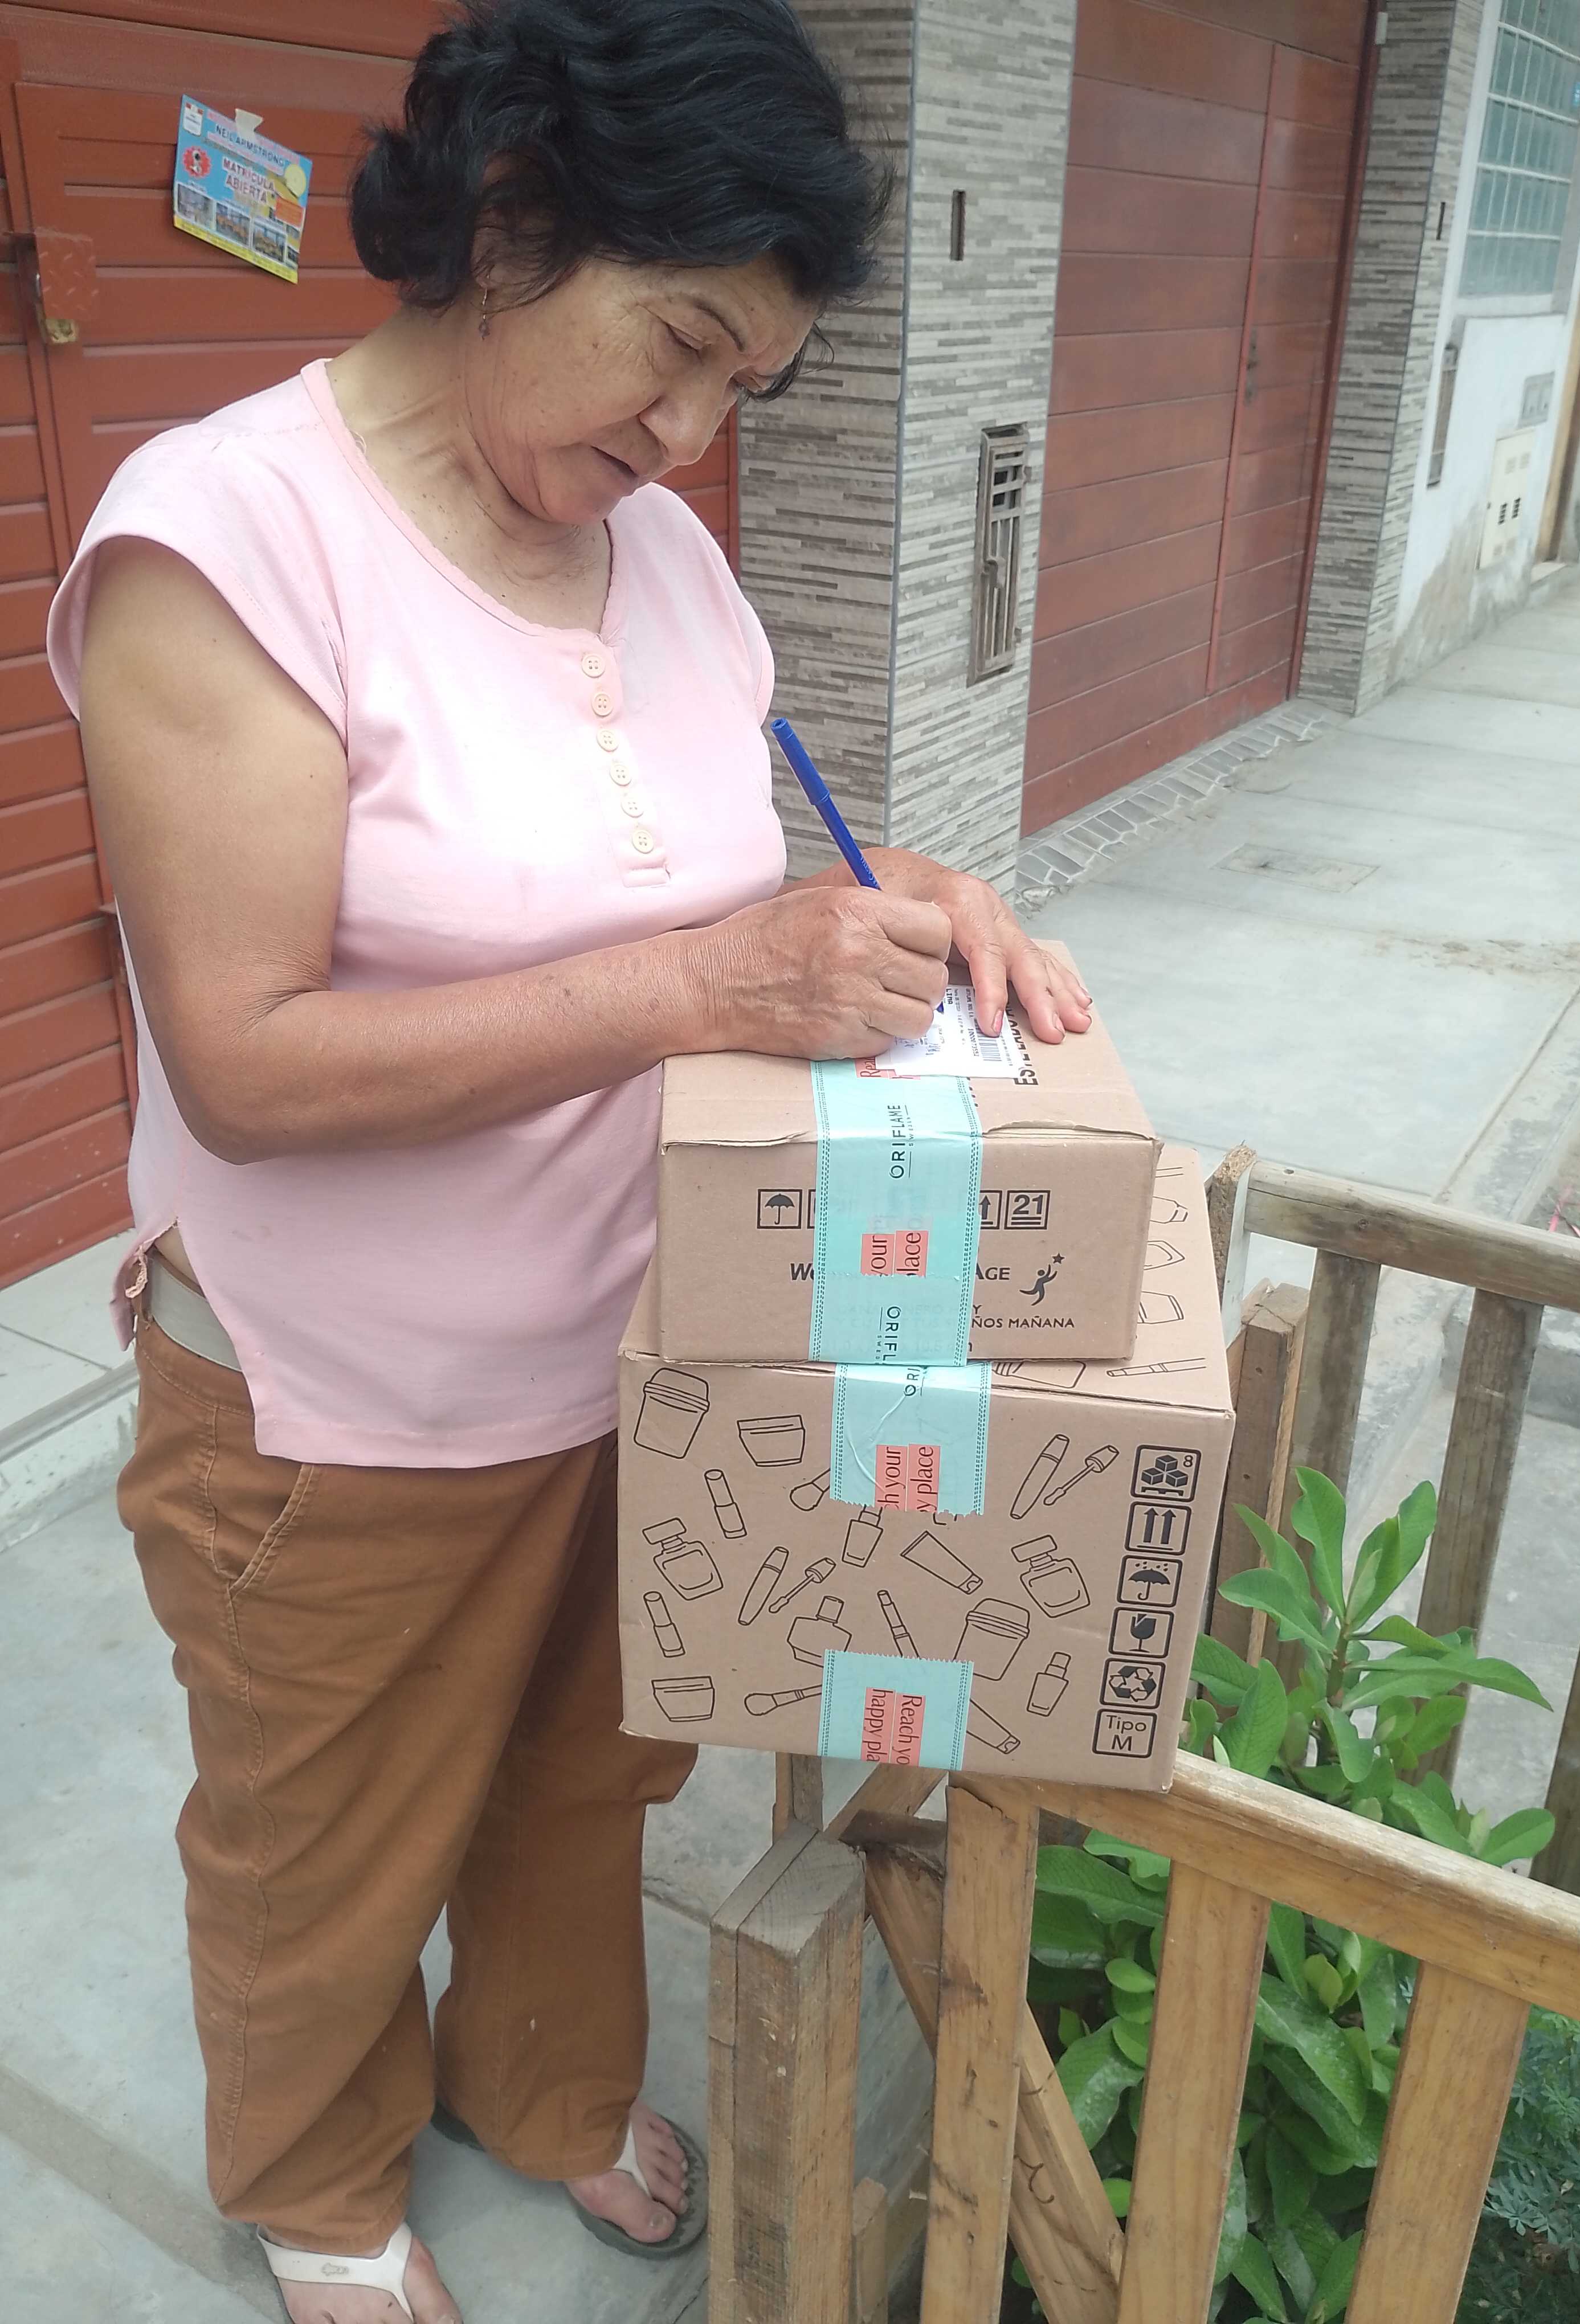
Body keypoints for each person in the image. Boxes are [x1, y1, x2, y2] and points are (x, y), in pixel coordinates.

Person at [46, 2, 1091, 2318]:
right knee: (326, 1829)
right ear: (513, 216)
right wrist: (714, 985)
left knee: (582, 1779)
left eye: (747, 389)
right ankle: (320, 2188)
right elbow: (245, 1059)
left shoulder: (667, 561)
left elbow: (680, 875)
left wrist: (899, 905)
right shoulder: (231, 545)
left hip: (648, 1344)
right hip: (341, 1402)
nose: (691, 433)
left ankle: (532, 2086)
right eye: (681, 344)